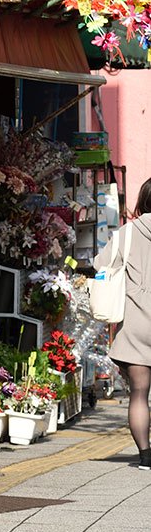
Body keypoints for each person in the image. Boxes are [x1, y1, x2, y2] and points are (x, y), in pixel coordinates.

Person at [109, 177, 151, 471]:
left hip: (136, 325)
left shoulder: (126, 234)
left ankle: (146, 456)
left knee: (139, 392)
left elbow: (102, 269)